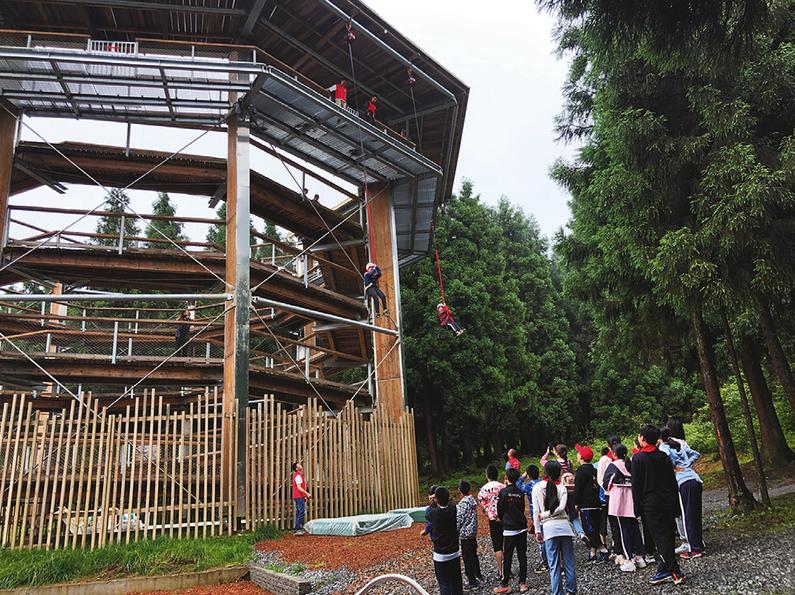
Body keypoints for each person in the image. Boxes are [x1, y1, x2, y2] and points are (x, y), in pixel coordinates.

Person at [632, 424, 685, 585]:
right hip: (668, 499)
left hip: (651, 503)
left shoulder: (638, 458)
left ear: (642, 438)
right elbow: (672, 481)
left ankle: (674, 571)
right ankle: (665, 569)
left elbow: (636, 485)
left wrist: (636, 508)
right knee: (668, 534)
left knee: (660, 537)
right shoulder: (663, 456)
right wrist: (676, 505)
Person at [659, 425, 704, 559]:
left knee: (687, 516)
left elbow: (667, 459)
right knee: (695, 514)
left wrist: (674, 467)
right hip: (695, 479)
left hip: (683, 481)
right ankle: (699, 544)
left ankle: (694, 549)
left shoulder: (663, 447)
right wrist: (687, 464)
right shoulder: (677, 445)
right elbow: (696, 454)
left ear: (659, 438)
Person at [533, 461, 577, 595]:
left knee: (554, 565)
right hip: (564, 527)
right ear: (559, 473)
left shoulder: (537, 487)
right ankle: (572, 591)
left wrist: (538, 529)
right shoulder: (562, 488)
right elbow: (562, 508)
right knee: (569, 563)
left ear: (545, 472)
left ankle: (557, 592)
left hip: (549, 528)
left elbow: (536, 512)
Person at [603, 444, 647, 572]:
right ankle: (640, 557)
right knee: (634, 527)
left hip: (619, 499)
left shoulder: (613, 466)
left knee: (623, 529)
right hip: (631, 497)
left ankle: (629, 559)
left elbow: (606, 483)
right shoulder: (630, 464)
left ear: (614, 454)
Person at [573, 444, 609, 563]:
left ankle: (603, 549)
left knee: (589, 529)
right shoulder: (594, 470)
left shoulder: (580, 471)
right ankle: (593, 553)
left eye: (578, 453)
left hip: (586, 504)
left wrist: (576, 502)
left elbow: (578, 489)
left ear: (581, 457)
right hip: (596, 502)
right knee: (595, 527)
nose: (577, 455)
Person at [495, 467, 528, 594]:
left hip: (509, 529)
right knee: (522, 555)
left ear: (507, 478)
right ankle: (522, 582)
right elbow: (522, 508)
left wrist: (503, 520)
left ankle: (505, 584)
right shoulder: (520, 492)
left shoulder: (503, 492)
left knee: (508, 556)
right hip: (522, 527)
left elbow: (500, 510)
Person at [428, 486, 464, 595]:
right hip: (454, 551)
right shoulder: (453, 508)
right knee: (456, 580)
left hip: (441, 554)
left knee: (444, 583)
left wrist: (432, 502)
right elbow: (451, 502)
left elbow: (428, 513)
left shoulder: (433, 513)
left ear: (436, 499)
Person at [518, 464, 549, 573]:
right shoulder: (543, 483)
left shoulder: (528, 486)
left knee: (541, 539)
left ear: (529, 475)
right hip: (547, 512)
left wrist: (523, 476)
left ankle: (545, 563)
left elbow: (517, 485)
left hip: (536, 514)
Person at [477, 465, 504, 581]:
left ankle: (500, 571)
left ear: (487, 475)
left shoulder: (484, 489)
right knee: (506, 543)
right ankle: (508, 569)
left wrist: (486, 511)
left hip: (493, 519)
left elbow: (480, 501)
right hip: (505, 518)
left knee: (497, 545)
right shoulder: (502, 486)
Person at [457, 480, 483, 589]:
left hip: (465, 534)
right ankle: (478, 574)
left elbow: (459, 519)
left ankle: (472, 582)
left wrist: (455, 531)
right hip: (472, 532)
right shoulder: (472, 500)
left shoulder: (463, 503)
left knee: (467, 558)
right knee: (473, 555)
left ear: (460, 490)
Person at [291, 462, 311, 534]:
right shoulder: (298, 476)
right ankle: (298, 529)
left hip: (299, 496)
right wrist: (307, 494)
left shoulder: (298, 475)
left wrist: (304, 496)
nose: (300, 465)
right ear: (297, 468)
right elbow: (299, 488)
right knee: (301, 512)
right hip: (299, 496)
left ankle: (297, 528)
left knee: (299, 512)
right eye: (298, 465)